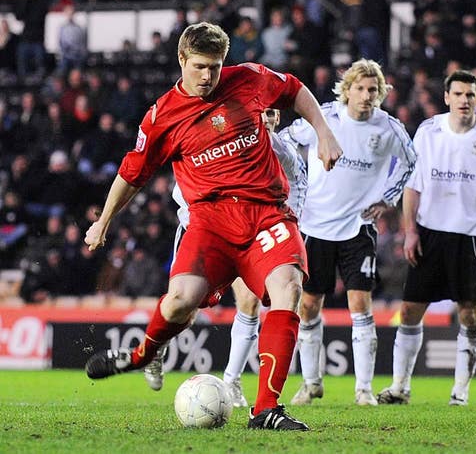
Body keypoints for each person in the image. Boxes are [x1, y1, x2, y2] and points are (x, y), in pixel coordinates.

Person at [83, 22, 342, 431]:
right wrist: (103, 220)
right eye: (200, 67)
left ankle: (265, 409)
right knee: (179, 302)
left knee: (288, 289)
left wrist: (324, 133)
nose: (208, 76)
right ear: (182, 60)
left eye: (216, 67)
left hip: (266, 214)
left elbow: (294, 90)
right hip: (210, 223)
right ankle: (143, 356)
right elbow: (132, 174)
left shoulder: (249, 79)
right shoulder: (161, 117)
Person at [376, 70, 476, 406]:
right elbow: (413, 187)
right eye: (457, 94)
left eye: (470, 95)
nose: (464, 100)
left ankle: (460, 391)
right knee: (411, 309)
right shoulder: (428, 132)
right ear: (446, 97)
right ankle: (400, 386)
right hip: (429, 233)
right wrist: (410, 230)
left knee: (470, 313)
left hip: (470, 237)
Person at [145, 108, 308, 409]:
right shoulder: (221, 138)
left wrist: (288, 227)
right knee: (186, 307)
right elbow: (183, 186)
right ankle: (157, 348)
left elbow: (299, 185)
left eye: (273, 113)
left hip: (257, 232)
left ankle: (232, 380)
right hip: (205, 229)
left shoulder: (283, 152)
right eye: (263, 112)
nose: (268, 118)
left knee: (250, 301)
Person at [282, 59, 416, 406]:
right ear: (347, 89)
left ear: (381, 92)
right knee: (309, 304)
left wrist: (388, 198)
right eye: (360, 88)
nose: (367, 95)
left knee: (361, 303)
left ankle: (364, 390)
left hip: (359, 228)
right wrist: (298, 180)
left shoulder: (388, 127)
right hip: (315, 225)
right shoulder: (323, 117)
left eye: (373, 90)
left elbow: (411, 161)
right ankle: (311, 383)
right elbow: (283, 141)